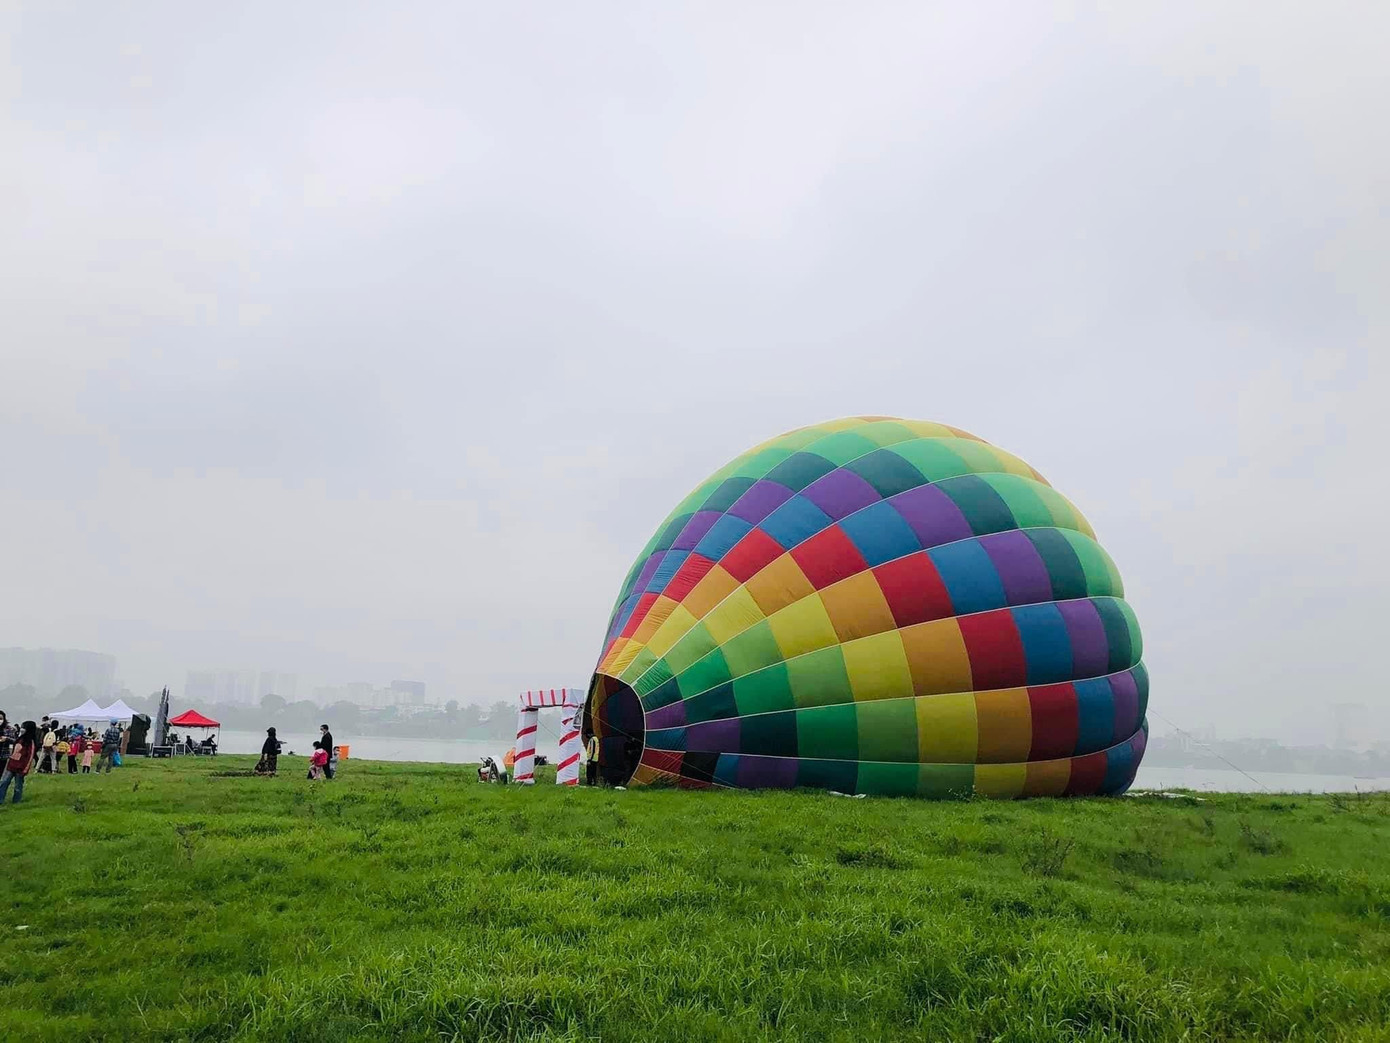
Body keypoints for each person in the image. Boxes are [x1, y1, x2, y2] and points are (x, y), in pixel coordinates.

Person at [0, 721, 38, 805]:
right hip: (11, 765)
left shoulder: (30, 742)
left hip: (20, 768)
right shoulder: (20, 738)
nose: (22, 729)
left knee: (18, 786)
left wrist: (25, 770)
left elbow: (30, 757)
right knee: (4, 782)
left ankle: (16, 801)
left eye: (23, 727)